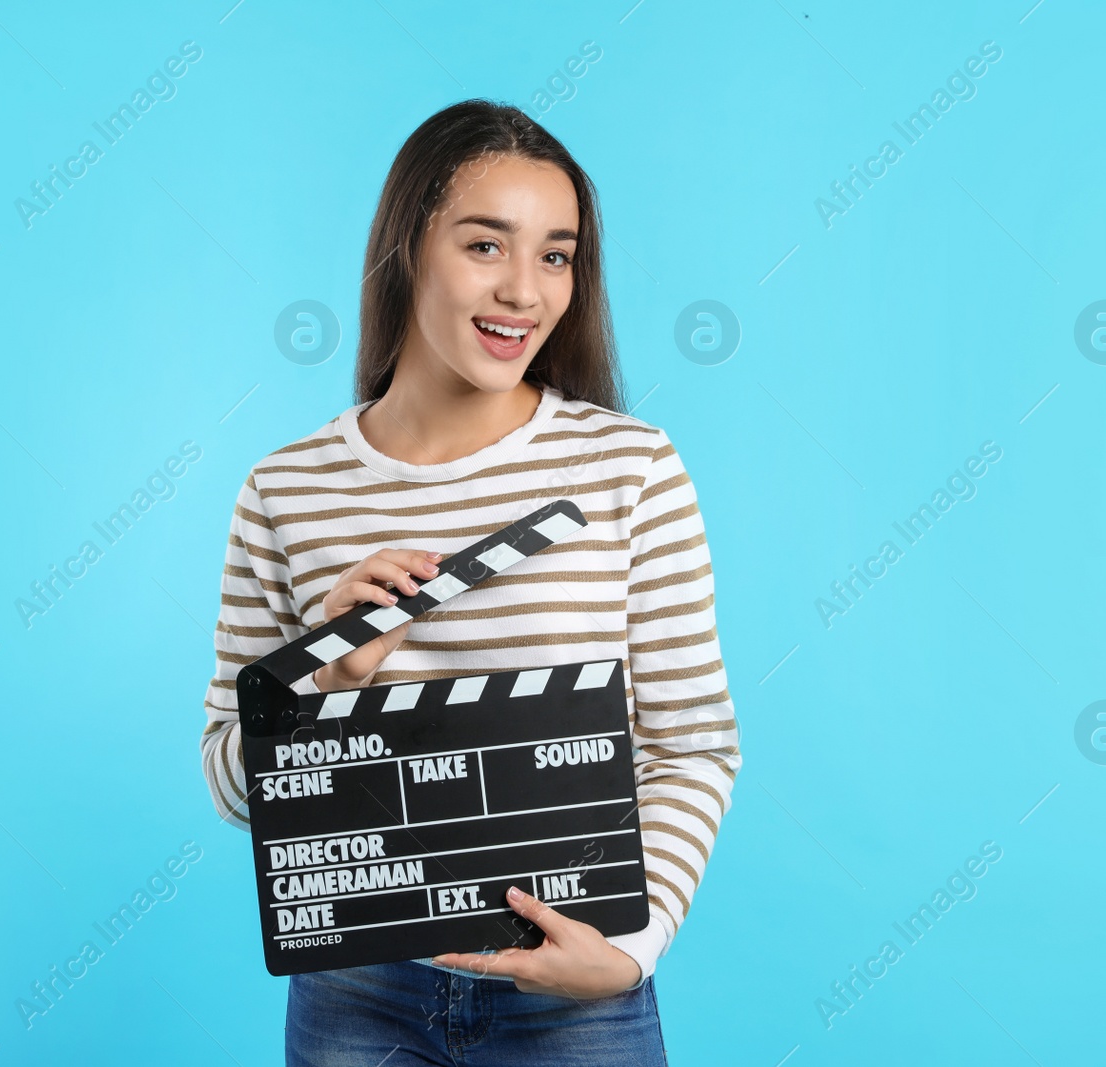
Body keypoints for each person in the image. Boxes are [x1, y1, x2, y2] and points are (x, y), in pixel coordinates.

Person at [200, 98, 741, 1066]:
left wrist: (629, 946)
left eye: (556, 254)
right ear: (408, 245)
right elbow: (232, 784)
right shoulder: (284, 488)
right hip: (357, 985)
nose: (524, 291)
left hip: (573, 983)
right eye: (486, 245)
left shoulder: (630, 469)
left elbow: (691, 744)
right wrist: (324, 679)